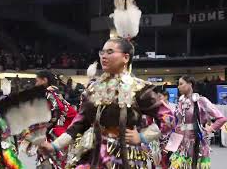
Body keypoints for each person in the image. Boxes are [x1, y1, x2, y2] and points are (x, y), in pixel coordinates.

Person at [39, 38, 173, 168]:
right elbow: (79, 124)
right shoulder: (93, 89)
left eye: (110, 52)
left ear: (125, 58)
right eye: (102, 52)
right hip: (95, 154)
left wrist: (142, 137)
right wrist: (54, 146)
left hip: (124, 157)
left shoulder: (138, 88)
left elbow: (168, 118)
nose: (104, 56)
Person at [169, 75, 227, 169]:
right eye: (178, 84)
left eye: (181, 84)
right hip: (180, 144)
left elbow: (222, 118)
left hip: (195, 142)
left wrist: (209, 129)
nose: (178, 87)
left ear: (190, 84)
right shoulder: (180, 102)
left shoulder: (200, 101)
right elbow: (177, 122)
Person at [34, 70, 77, 168]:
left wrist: (47, 127)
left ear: (44, 80)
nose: (35, 84)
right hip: (61, 133)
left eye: (37, 81)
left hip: (54, 134)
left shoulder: (49, 92)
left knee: (50, 163)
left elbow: (57, 109)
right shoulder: (55, 92)